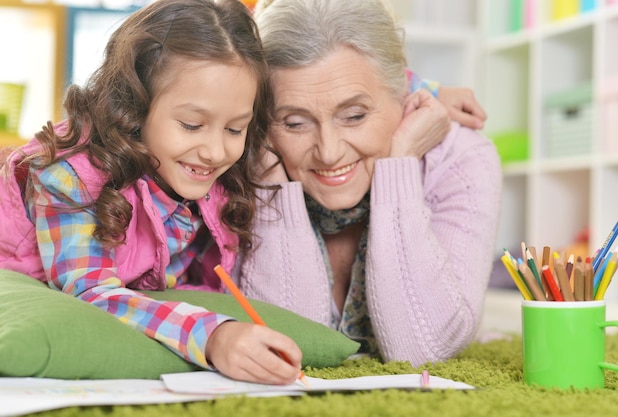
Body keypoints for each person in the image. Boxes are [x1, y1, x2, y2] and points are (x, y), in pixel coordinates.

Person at [0, 0, 302, 385]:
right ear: (134, 108)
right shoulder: (68, 174)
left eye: (235, 129)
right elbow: (89, 292)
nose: (215, 151)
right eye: (192, 125)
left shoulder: (205, 180)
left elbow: (194, 283)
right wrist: (214, 335)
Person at [235, 0, 503, 368]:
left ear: (404, 95)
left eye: (354, 116)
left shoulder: (461, 157)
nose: (329, 153)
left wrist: (400, 166)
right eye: (295, 122)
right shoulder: (235, 159)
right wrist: (267, 179)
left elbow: (425, 350)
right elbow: (290, 348)